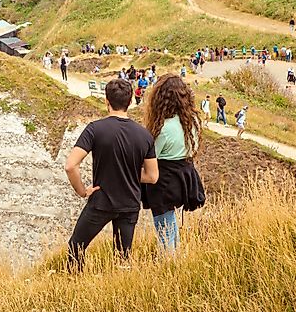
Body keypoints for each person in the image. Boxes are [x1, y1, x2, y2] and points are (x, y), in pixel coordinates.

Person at [64, 79, 159, 272]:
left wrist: (82, 191)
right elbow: (152, 176)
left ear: (106, 101)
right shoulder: (144, 135)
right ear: (131, 101)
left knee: (76, 247)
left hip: (101, 201)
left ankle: (73, 283)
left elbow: (70, 166)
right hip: (130, 203)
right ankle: (120, 292)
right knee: (123, 258)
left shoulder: (95, 129)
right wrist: (130, 173)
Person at [142, 74, 204, 254]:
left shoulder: (164, 129)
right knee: (171, 225)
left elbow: (151, 156)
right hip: (185, 175)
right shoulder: (192, 121)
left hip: (164, 181)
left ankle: (169, 266)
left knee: (164, 229)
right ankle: (175, 261)